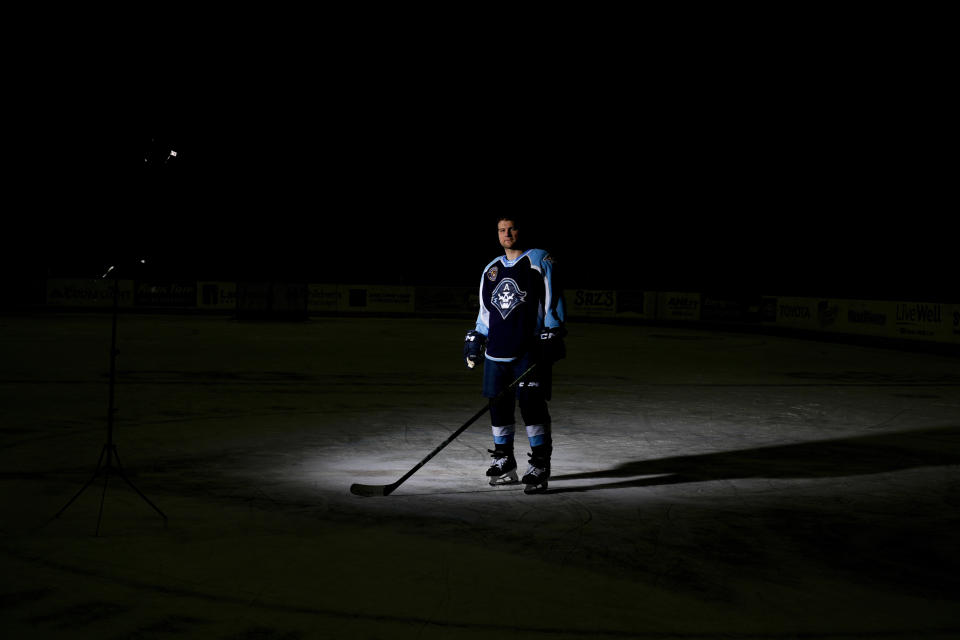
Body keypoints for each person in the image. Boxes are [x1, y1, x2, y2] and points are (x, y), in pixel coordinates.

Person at [463, 217, 566, 494]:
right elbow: (485, 314)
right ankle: (504, 458)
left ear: (521, 231)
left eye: (512, 228)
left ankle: (540, 464)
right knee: (499, 409)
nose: (507, 234)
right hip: (497, 353)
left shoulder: (539, 260)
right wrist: (477, 337)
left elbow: (551, 300)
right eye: (501, 230)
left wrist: (553, 331)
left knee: (532, 408)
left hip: (528, 351)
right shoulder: (491, 269)